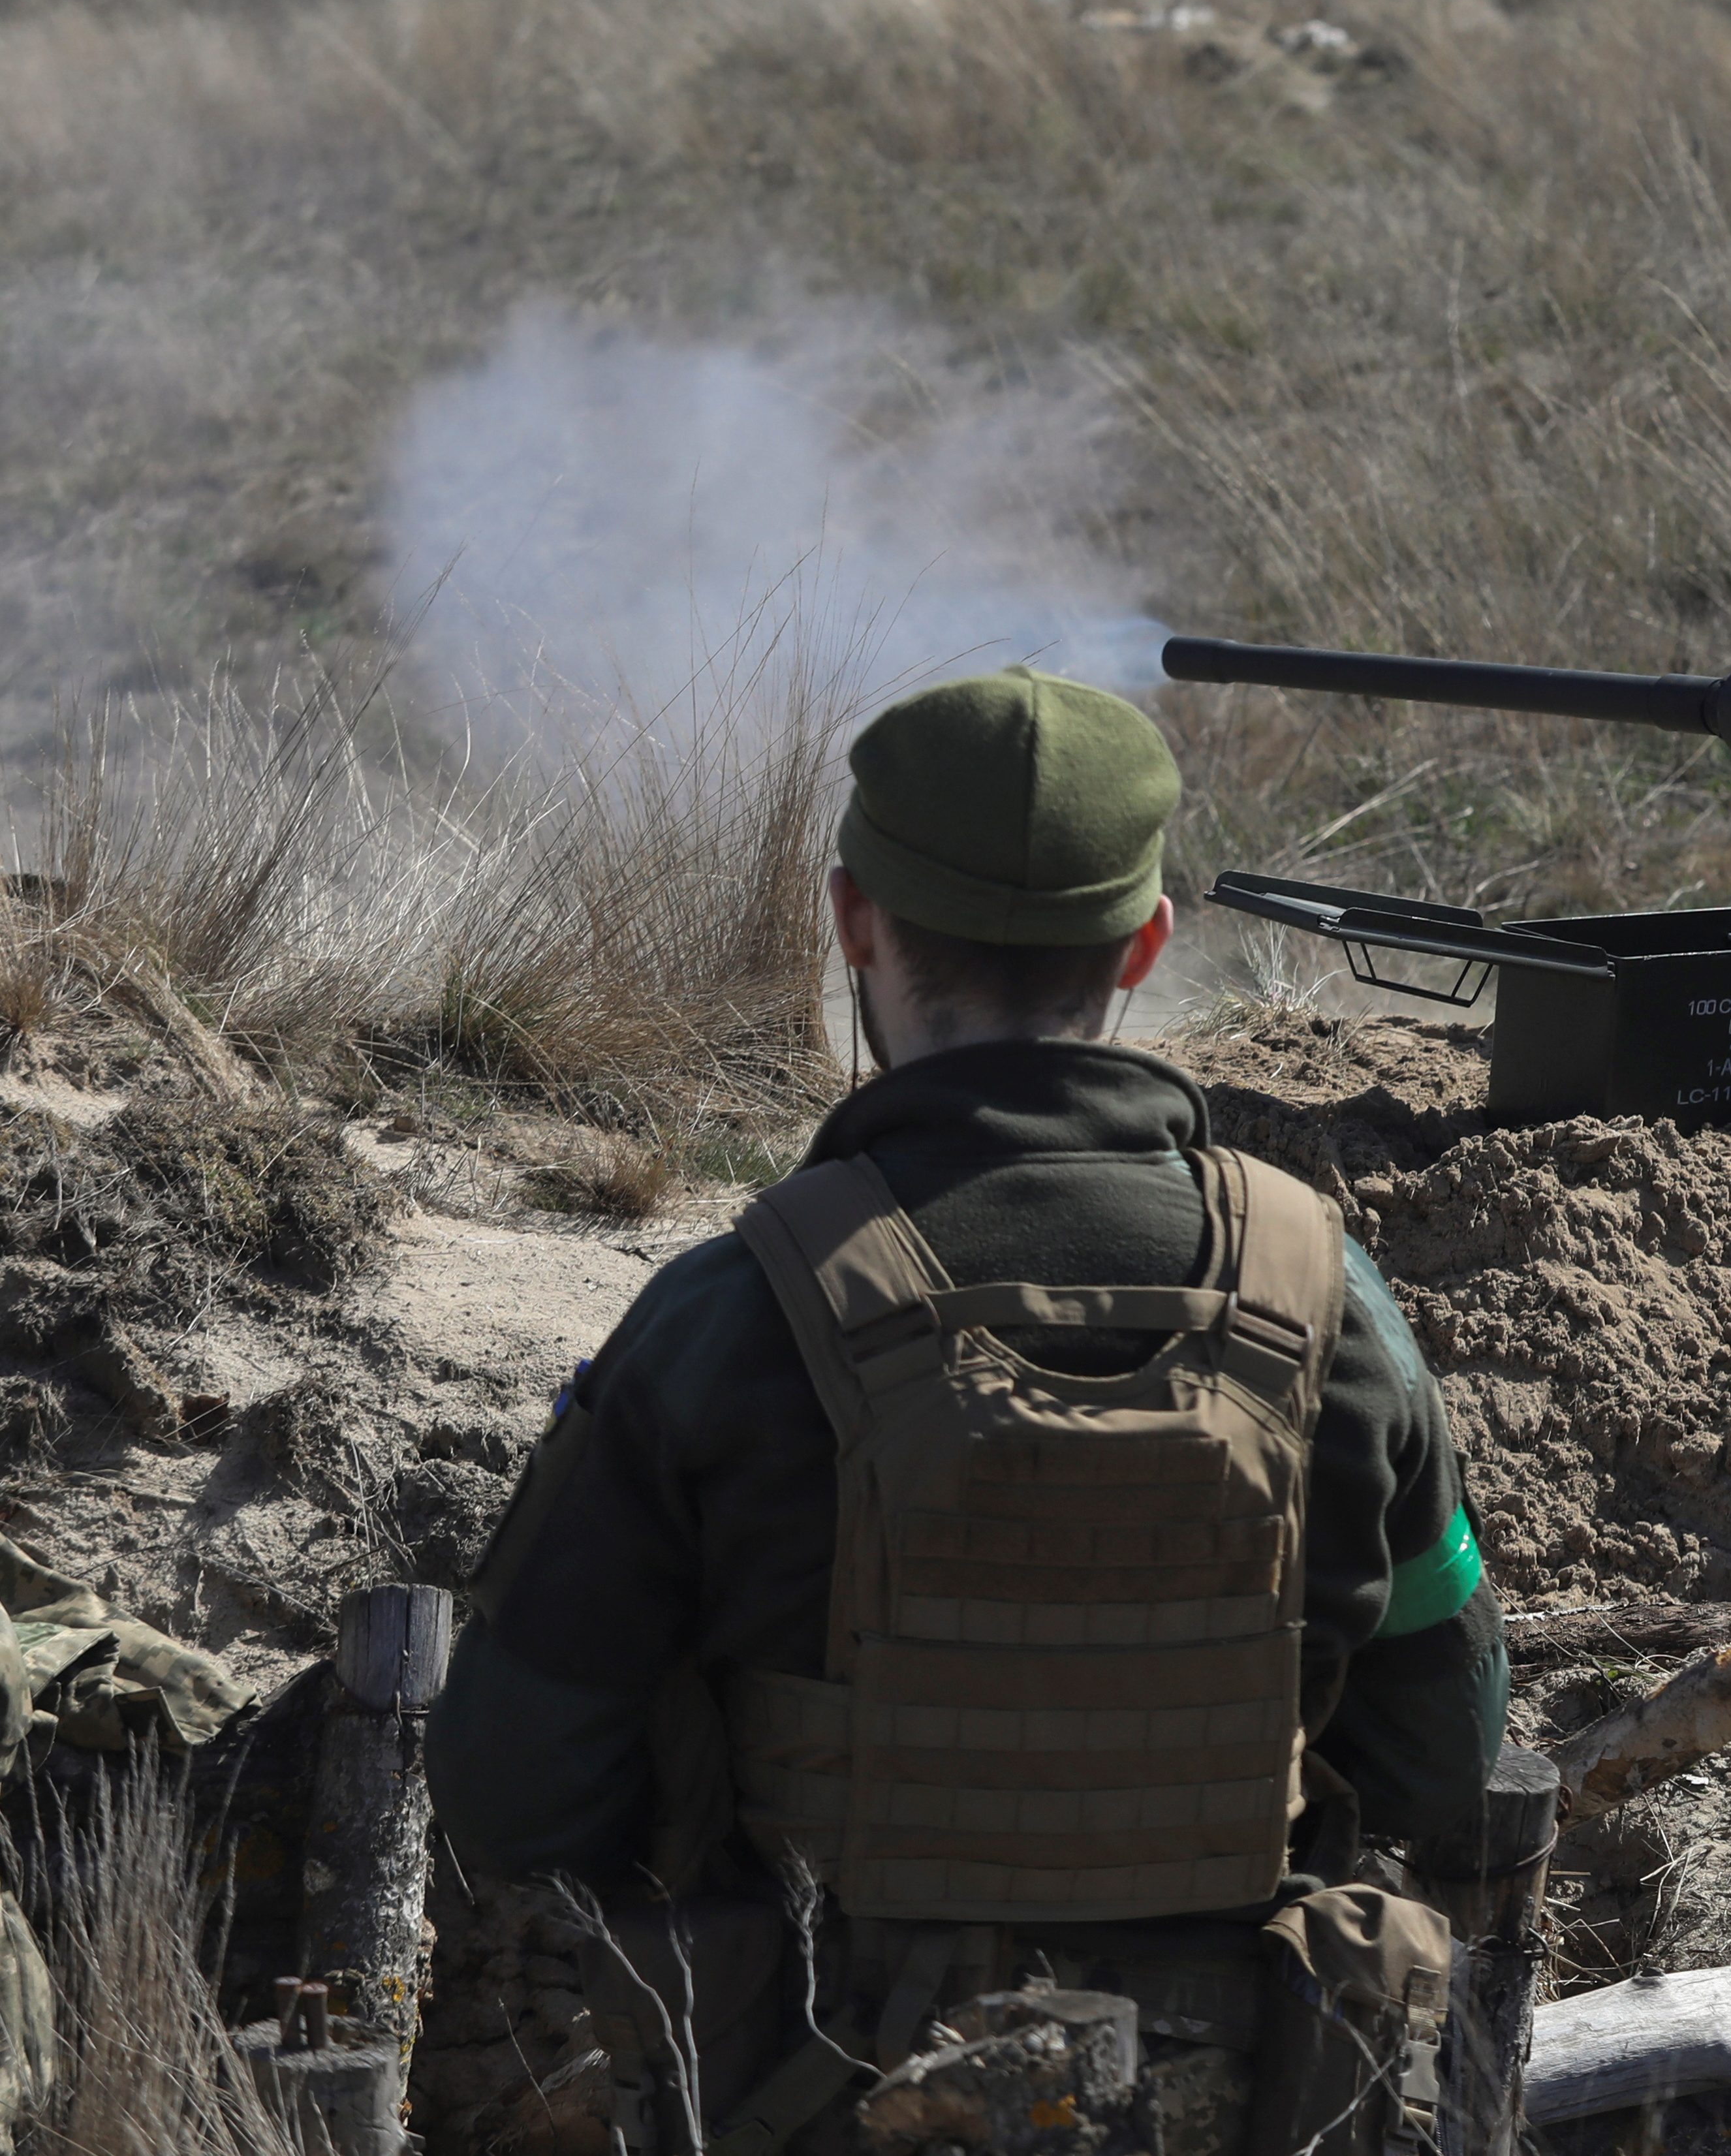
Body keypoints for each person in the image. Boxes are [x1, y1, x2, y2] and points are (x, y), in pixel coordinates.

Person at [431, 666, 1507, 2154]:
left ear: (851, 921)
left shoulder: (721, 1316)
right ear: (1145, 942)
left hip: (812, 2098)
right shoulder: (1330, 1302)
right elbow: (1446, 1753)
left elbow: (515, 1791)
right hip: (1239, 2103)